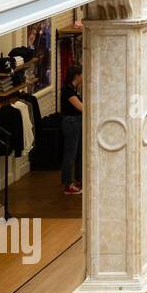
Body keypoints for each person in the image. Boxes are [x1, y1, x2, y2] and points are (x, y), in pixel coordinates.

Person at [60, 64, 84, 195]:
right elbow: (81, 108)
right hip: (71, 123)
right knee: (70, 154)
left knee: (79, 152)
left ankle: (79, 179)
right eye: (82, 74)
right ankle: (67, 184)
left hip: (76, 122)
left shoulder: (73, 89)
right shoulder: (68, 91)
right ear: (77, 76)